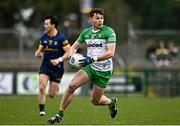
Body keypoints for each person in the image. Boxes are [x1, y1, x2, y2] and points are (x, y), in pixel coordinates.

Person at [48, 8, 118, 124]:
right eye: (97, 18)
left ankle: (111, 102)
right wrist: (71, 57)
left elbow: (111, 53)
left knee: (95, 101)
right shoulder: (86, 33)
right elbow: (73, 47)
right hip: (89, 67)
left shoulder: (109, 32)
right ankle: (59, 115)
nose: (100, 20)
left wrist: (92, 59)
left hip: (104, 70)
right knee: (71, 86)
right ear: (91, 20)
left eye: (102, 18)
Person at [35, 15, 70, 116]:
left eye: (47, 24)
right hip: (45, 66)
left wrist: (59, 60)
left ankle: (55, 88)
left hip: (57, 68)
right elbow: (40, 50)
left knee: (51, 95)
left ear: (53, 25)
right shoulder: (44, 37)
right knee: (41, 87)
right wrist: (38, 53)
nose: (44, 25)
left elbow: (69, 52)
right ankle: (42, 111)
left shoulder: (61, 38)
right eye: (44, 23)